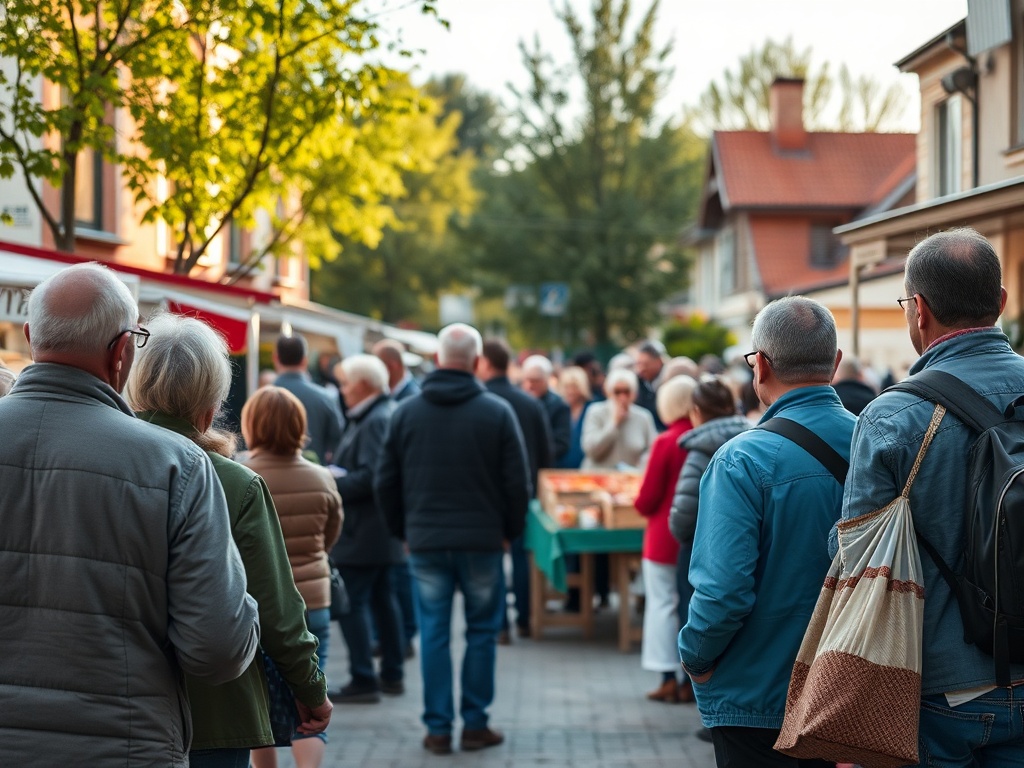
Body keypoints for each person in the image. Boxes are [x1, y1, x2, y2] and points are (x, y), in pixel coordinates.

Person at [0, 263, 259, 765]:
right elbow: (217, 647)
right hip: (123, 745)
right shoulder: (177, 464)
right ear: (122, 352)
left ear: (32, 336)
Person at [838, 228, 1024, 765]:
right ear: (1001, 303)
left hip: (945, 682)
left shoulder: (895, 415)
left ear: (918, 309)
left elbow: (856, 559)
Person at [126, 313, 332, 768]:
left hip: (117, 702)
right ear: (210, 403)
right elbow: (277, 609)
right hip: (215, 714)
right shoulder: (235, 483)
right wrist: (310, 690)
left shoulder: (105, 465)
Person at [677, 296, 854, 768]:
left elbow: (723, 592)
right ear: (835, 363)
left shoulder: (741, 460)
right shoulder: (881, 443)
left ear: (761, 367)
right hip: (853, 686)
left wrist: (694, 657)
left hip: (758, 695)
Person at [376, 323, 530, 755]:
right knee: (482, 632)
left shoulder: (405, 412)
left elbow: (385, 482)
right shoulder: (497, 412)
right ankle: (475, 724)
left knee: (434, 633)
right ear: (477, 362)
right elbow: (518, 485)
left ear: (439, 359)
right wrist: (508, 533)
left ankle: (438, 728)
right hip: (483, 540)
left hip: (425, 541)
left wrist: (402, 532)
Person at [240, 387, 343, 768]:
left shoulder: (238, 473)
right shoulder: (321, 478)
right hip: (313, 600)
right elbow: (332, 534)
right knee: (311, 706)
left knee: (256, 706)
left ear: (252, 425)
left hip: (254, 604)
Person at [669, 374, 752, 734]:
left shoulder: (702, 447)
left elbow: (682, 519)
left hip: (703, 554)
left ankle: (710, 709)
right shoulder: (753, 435)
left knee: (705, 618)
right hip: (750, 550)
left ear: (697, 411)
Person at [328, 354, 405, 703]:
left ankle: (365, 677)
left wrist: (331, 482)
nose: (342, 390)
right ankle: (390, 673)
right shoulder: (376, 415)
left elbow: (372, 478)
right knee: (381, 599)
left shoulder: (375, 419)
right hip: (376, 531)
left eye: (345, 383)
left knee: (354, 602)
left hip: (365, 531)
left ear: (362, 385)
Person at [477, 338, 552, 642]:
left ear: (483, 362)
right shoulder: (529, 403)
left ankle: (501, 627)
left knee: (494, 564)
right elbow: (547, 456)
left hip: (487, 498)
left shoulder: (480, 403)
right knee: (523, 559)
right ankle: (525, 619)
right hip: (527, 493)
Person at [633, 375, 696, 704]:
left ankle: (667, 676)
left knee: (661, 606)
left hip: (662, 537)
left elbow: (647, 498)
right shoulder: (701, 438)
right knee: (689, 607)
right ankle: (691, 679)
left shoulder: (666, 441)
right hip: (695, 537)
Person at [273, 333, 344, 464]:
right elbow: (337, 441)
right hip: (315, 477)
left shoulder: (258, 399)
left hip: (268, 479)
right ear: (305, 360)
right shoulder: (326, 397)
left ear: (276, 358)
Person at [581, 368, 657, 470]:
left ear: (634, 393)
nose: (622, 397)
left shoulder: (643, 416)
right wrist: (614, 423)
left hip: (630, 480)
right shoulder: (595, 412)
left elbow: (652, 450)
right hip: (597, 479)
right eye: (617, 392)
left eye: (627, 391)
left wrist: (640, 467)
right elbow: (591, 450)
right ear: (608, 392)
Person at [520, 353, 571, 464]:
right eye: (527, 380)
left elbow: (562, 443)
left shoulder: (559, 405)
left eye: (535, 381)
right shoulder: (518, 402)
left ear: (547, 379)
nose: (530, 385)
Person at [555, 365, 593, 469]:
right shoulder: (557, 410)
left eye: (574, 387)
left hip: (584, 467)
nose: (570, 391)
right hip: (560, 466)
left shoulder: (591, 409)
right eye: (567, 387)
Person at [634, 340, 667, 430]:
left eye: (645, 364)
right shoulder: (636, 383)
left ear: (659, 361)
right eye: (638, 364)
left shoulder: (668, 382)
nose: (641, 369)